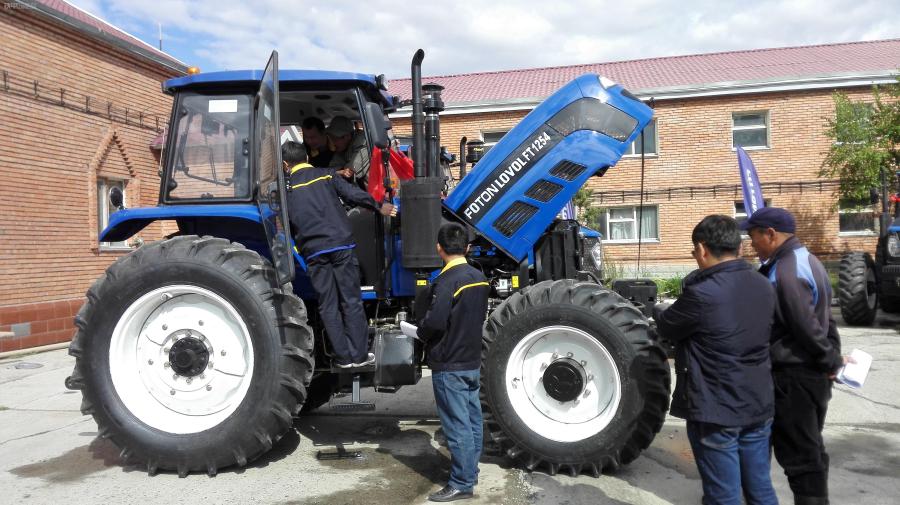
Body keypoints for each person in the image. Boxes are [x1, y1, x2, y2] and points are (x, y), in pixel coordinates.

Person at [655, 215, 778, 505]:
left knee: (723, 495)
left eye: (693, 252)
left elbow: (667, 325)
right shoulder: (763, 285)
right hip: (758, 404)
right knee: (760, 489)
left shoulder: (701, 294)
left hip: (716, 410)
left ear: (702, 248)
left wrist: (659, 309)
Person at [742, 207, 843, 505]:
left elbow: (805, 326)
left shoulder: (785, 270)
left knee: (800, 454)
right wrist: (832, 356)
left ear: (770, 234)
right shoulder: (808, 260)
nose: (752, 244)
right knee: (810, 446)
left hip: (794, 376)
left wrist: (829, 360)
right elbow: (827, 318)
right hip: (810, 374)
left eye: (754, 237)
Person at [281, 141, 396, 368]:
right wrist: (379, 206)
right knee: (351, 301)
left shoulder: (285, 189)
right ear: (306, 157)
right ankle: (360, 356)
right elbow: (353, 194)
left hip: (313, 252)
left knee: (328, 305)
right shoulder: (326, 175)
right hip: (341, 246)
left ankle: (343, 358)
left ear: (285, 164)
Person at [417, 223, 489, 503]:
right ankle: (471, 471)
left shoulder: (447, 281)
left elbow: (435, 322)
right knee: (472, 421)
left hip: (449, 364)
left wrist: (420, 331)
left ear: (439, 248)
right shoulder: (479, 277)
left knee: (457, 426)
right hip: (471, 361)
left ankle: (461, 483)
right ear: (467, 248)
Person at [327, 115, 370, 187]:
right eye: (331, 138)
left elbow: (350, 172)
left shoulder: (362, 142)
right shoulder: (343, 147)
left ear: (347, 136)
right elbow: (331, 169)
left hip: (377, 192)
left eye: (335, 139)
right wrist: (338, 172)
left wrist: (338, 172)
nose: (333, 143)